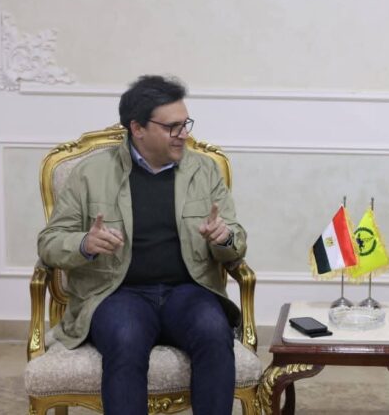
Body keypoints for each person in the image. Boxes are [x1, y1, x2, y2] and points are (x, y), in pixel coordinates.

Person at [38, 75, 247, 415]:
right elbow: (49, 243)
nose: (184, 134)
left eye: (185, 124)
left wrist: (224, 238)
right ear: (137, 128)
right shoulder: (90, 173)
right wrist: (84, 243)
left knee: (213, 331)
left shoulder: (204, 171)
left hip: (188, 291)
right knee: (126, 338)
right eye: (172, 127)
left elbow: (236, 240)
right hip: (117, 293)